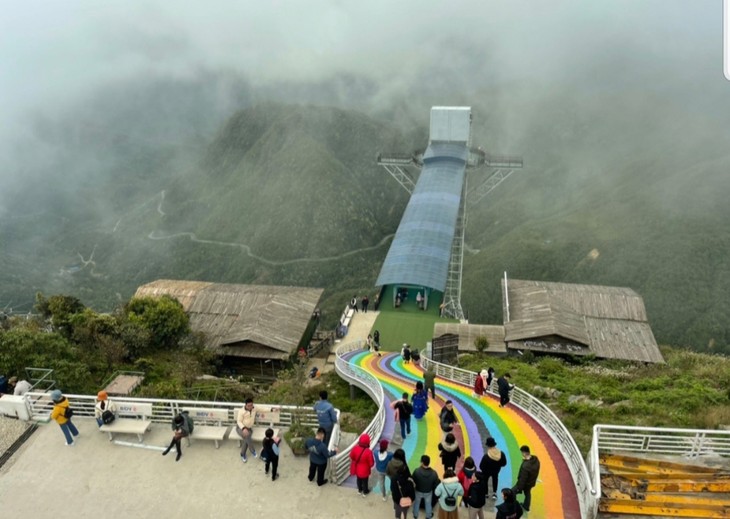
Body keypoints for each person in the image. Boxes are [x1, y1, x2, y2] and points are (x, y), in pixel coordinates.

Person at [511, 446, 540, 512]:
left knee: (512, 492)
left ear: (524, 453)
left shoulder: (525, 466)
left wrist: (519, 488)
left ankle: (513, 506)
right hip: (531, 482)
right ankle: (526, 506)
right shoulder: (536, 460)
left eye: (522, 452)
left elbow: (522, 479)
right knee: (527, 493)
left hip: (525, 483)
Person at [412, 454, 440, 519]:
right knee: (428, 504)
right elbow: (436, 484)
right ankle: (428, 516)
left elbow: (412, 480)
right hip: (428, 492)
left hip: (418, 491)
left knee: (416, 503)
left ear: (422, 462)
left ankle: (415, 515)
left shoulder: (417, 471)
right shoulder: (434, 473)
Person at [236, 398, 258, 462]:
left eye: (251, 405)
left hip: (249, 428)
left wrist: (272, 409)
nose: (250, 407)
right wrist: (243, 428)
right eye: (248, 406)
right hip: (240, 428)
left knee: (246, 439)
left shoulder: (254, 408)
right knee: (247, 436)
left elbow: (263, 409)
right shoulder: (241, 411)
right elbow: (239, 421)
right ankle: (253, 451)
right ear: (245, 405)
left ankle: (242, 454)